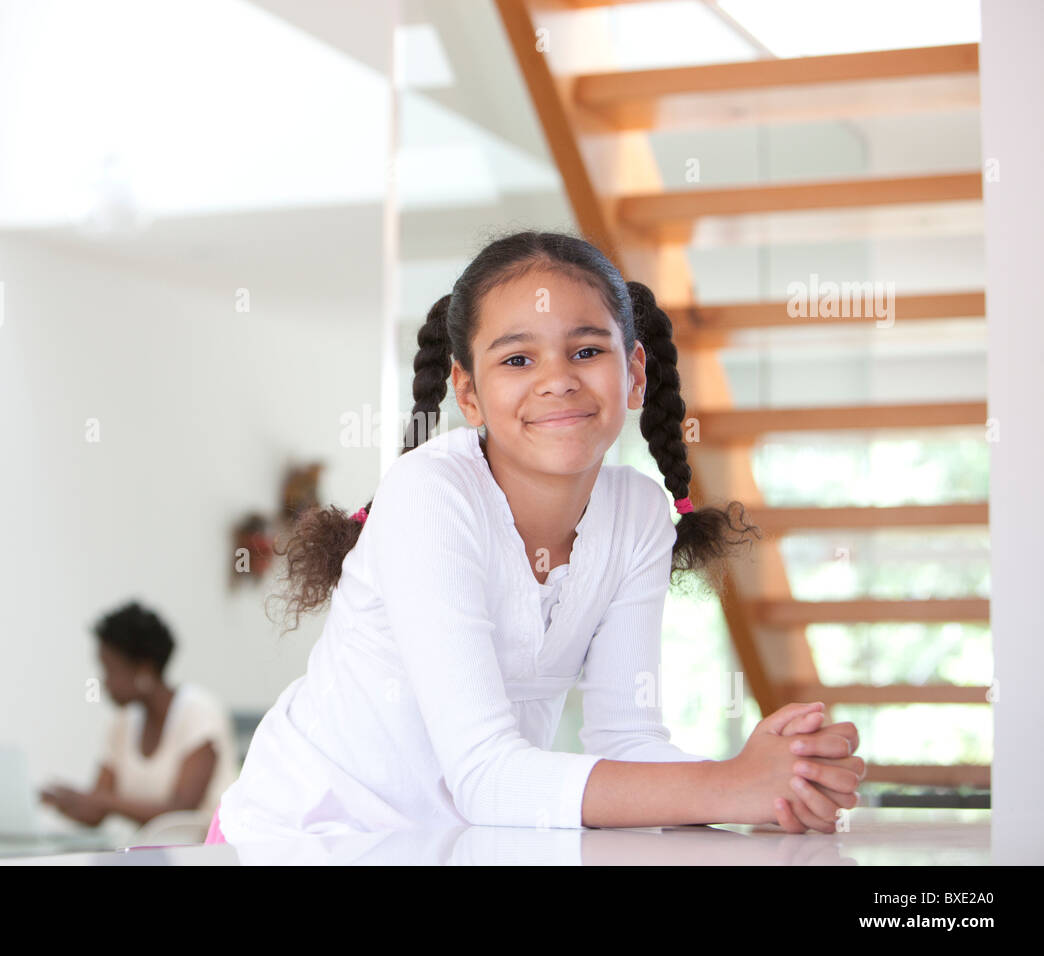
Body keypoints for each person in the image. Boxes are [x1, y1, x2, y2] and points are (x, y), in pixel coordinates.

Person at [210, 231, 865, 844]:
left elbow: (626, 741)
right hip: (299, 843)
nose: (558, 378)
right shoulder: (429, 495)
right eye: (518, 358)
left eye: (587, 350)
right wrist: (730, 787)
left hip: (447, 851)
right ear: (468, 392)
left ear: (635, 372)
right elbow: (485, 777)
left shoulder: (637, 514)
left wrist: (779, 784)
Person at [41, 601, 236, 829]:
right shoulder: (123, 724)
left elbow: (181, 809)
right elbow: (96, 812)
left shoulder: (199, 712)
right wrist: (61, 800)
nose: (104, 682)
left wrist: (103, 800)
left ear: (144, 669)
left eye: (110, 670)